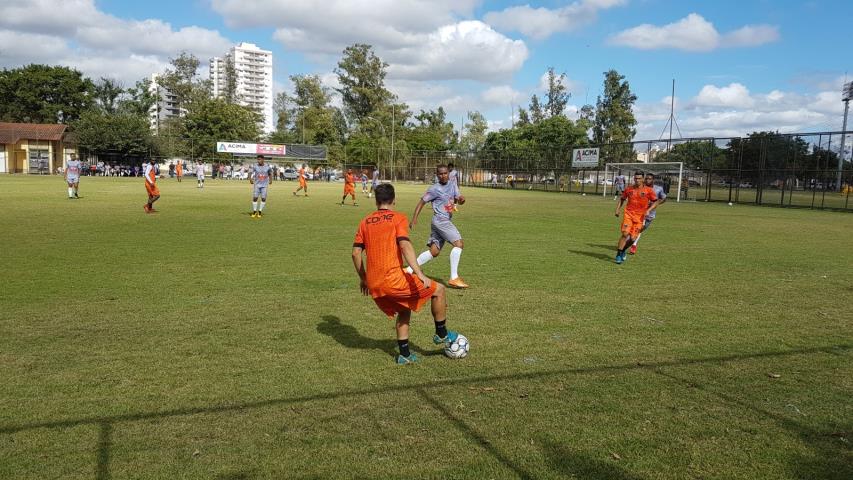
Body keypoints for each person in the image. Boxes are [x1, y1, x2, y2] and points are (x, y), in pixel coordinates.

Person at [352, 183, 459, 364]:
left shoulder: (365, 221)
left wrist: (364, 278)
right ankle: (441, 334)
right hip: (392, 280)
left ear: (376, 202)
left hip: (374, 283)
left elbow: (355, 253)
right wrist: (420, 274)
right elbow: (405, 245)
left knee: (404, 308)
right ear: (394, 200)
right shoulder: (398, 218)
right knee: (439, 290)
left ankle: (404, 355)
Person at [407, 165, 468, 289]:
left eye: (445, 173)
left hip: (440, 222)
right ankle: (454, 277)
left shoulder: (452, 184)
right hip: (441, 221)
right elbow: (421, 202)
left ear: (448, 173)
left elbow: (458, 199)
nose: (443, 176)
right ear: (437, 175)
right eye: (440, 174)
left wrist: (461, 200)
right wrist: (414, 218)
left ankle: (408, 270)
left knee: (434, 252)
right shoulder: (434, 189)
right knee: (459, 244)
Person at [614, 172, 659, 264]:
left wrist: (649, 210)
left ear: (643, 179)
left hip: (640, 217)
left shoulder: (648, 190)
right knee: (625, 234)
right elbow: (622, 199)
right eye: (635, 178)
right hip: (629, 215)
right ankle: (618, 254)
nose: (637, 180)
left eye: (639, 178)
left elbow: (656, 201)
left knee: (633, 239)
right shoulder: (629, 189)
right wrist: (617, 209)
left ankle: (623, 250)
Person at [629, 173, 667, 255]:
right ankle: (633, 245)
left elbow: (663, 198)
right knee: (638, 228)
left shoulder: (658, 189)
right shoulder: (641, 188)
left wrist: (656, 204)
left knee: (641, 229)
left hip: (651, 213)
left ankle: (631, 240)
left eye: (649, 179)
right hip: (639, 212)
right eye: (646, 179)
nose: (647, 180)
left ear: (653, 180)